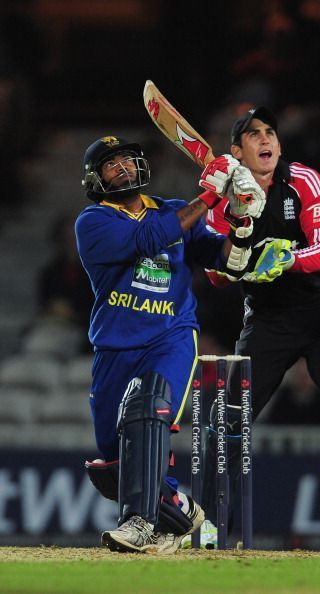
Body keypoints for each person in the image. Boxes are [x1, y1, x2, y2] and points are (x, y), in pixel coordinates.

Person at [198, 107, 320, 554]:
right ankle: (209, 522)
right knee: (229, 413)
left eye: (270, 133)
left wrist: (279, 259)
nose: (265, 140)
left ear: (278, 145)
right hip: (268, 317)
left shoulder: (304, 179)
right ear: (237, 152)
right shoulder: (223, 200)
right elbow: (217, 272)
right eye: (253, 135)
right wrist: (234, 221)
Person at [75, 135, 264, 554]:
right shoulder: (93, 222)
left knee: (147, 409)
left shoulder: (177, 211)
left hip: (170, 337)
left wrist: (242, 219)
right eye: (111, 165)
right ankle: (179, 508)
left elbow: (226, 261)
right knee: (113, 463)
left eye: (127, 160)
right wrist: (211, 193)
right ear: (96, 179)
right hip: (115, 347)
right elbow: (148, 240)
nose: (122, 169)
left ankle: (138, 522)